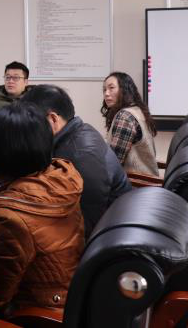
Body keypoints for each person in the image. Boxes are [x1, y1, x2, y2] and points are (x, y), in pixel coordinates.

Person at [0, 101, 85, 318]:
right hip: (66, 291)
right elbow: (30, 202)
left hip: (34, 312)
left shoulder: (11, 221)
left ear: (2, 160)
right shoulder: (59, 176)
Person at [23, 84, 131, 237]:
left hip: (107, 235)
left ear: (53, 119)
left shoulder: (82, 156)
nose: (27, 130)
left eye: (30, 123)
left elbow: (85, 226)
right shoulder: (77, 131)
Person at [101, 72, 160, 177]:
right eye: (104, 89)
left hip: (136, 184)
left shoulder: (125, 117)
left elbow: (113, 162)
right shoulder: (137, 110)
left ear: (124, 90)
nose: (106, 93)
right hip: (147, 181)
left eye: (111, 88)